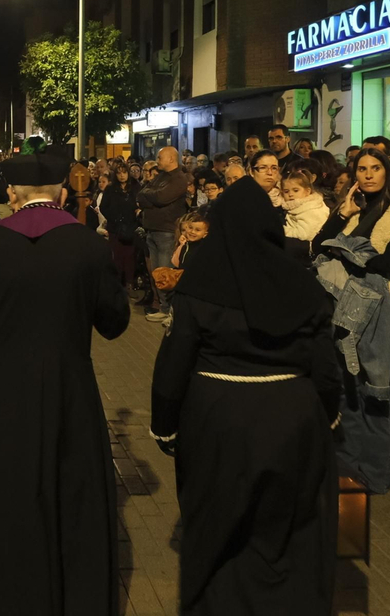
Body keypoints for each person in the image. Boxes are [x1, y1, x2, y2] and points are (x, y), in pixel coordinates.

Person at [0, 142, 130, 615]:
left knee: (5, 487)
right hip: (69, 386)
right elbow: (114, 323)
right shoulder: (88, 244)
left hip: (0, 389)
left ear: (13, 194)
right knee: (70, 487)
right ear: (63, 193)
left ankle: (5, 590)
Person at [150, 175, 339, 614]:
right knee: (289, 526)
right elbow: (324, 364)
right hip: (293, 417)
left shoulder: (200, 282)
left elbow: (175, 359)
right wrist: (329, 415)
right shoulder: (302, 284)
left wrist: (165, 425)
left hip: (219, 418)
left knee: (217, 525)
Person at [310, 147, 390, 494]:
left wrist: (342, 250)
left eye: (376, 168)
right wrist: (341, 216)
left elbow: (388, 263)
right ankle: (348, 463)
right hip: (341, 305)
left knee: (374, 392)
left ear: (387, 172)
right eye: (362, 169)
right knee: (346, 388)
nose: (369, 174)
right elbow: (317, 246)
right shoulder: (352, 210)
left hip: (379, 311)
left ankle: (376, 473)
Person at [137, 146, 191, 322]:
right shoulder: (161, 176)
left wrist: (151, 197)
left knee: (166, 273)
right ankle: (164, 307)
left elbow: (161, 198)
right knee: (157, 273)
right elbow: (141, 195)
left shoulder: (179, 179)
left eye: (160, 157)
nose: (157, 160)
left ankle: (172, 311)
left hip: (166, 232)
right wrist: (152, 197)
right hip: (152, 231)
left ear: (171, 159)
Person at [97, 166, 140, 295]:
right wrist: (114, 219)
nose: (122, 175)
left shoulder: (135, 188)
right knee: (116, 256)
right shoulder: (110, 189)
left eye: (124, 172)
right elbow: (103, 207)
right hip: (115, 228)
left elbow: (139, 204)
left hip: (130, 227)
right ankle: (117, 285)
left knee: (129, 256)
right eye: (119, 173)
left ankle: (129, 284)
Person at [281, 168, 329, 242]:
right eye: (286, 191)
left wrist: (281, 230)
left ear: (307, 191)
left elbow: (305, 235)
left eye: (295, 190)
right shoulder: (294, 207)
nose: (290, 194)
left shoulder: (311, 209)